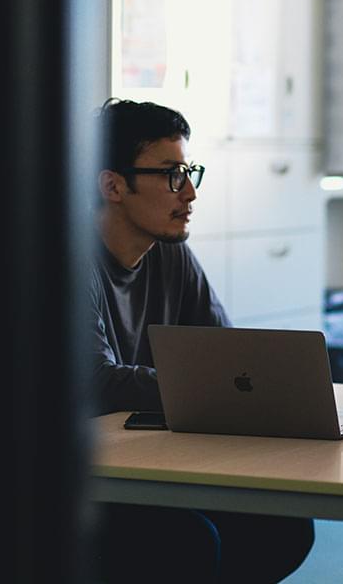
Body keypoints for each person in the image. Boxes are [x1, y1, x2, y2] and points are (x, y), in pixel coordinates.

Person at [90, 99, 314, 584]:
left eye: (190, 173)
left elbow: (227, 358)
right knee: (187, 543)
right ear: (113, 186)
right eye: (172, 175)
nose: (190, 193)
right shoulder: (65, 260)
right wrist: (208, 384)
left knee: (284, 528)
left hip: (151, 460)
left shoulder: (169, 253)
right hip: (75, 479)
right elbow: (96, 382)